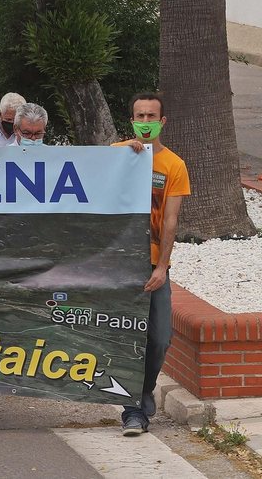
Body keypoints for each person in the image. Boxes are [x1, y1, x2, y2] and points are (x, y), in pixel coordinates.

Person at [114, 92, 188, 437]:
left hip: (153, 263)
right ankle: (134, 409)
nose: (145, 122)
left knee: (159, 338)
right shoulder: (116, 155)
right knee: (127, 336)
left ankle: (143, 392)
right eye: (139, 116)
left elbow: (170, 220)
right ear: (132, 120)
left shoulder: (174, 165)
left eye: (151, 116)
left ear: (162, 122)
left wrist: (161, 267)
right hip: (117, 263)